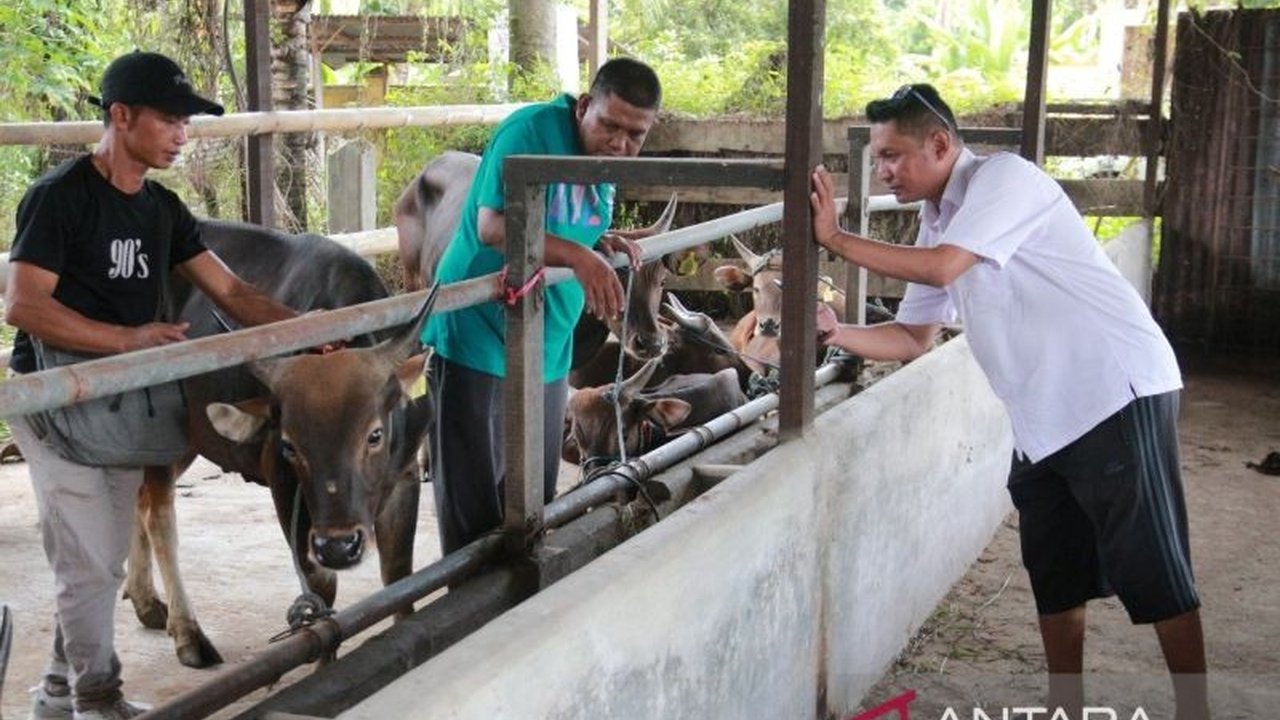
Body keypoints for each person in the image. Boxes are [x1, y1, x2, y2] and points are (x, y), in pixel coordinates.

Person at [809, 83, 1209, 720]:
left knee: (1154, 565)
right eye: (878, 157)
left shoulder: (1005, 180)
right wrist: (834, 333)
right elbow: (912, 338)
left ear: (941, 144)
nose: (882, 171)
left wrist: (835, 239)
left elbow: (943, 268)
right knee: (1054, 569)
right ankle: (1064, 705)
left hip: (1113, 390)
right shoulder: (936, 218)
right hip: (1043, 420)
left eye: (892, 155)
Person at [4, 51, 299, 720]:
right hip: (53, 396)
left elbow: (233, 292)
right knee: (92, 561)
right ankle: (97, 699)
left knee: (100, 557)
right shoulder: (60, 198)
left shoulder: (162, 208)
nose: (182, 135)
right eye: (169, 119)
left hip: (118, 401)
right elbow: (23, 305)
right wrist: (128, 340)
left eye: (186, 123)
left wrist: (315, 331)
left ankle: (56, 693)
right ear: (120, 115)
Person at [424, 57, 661, 554]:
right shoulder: (530, 132)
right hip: (480, 332)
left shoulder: (606, 163)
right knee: (474, 506)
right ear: (583, 106)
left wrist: (597, 242)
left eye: (635, 135)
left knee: (533, 497)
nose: (619, 144)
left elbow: (564, 221)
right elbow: (492, 226)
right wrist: (578, 255)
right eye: (610, 125)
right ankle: (472, 601)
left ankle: (523, 596)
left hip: (549, 342)